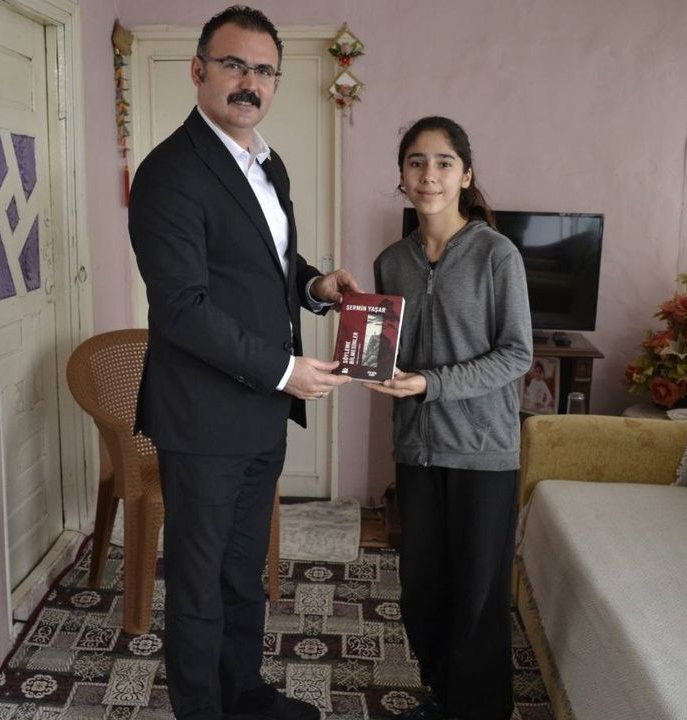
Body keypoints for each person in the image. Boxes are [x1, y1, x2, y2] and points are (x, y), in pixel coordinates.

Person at [127, 6, 362, 720]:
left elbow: (267, 264)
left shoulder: (267, 162)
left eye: (264, 70)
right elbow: (183, 308)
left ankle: (245, 695)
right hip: (202, 419)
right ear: (199, 70)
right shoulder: (169, 172)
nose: (249, 82)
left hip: (259, 412)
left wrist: (315, 287)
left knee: (241, 571)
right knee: (198, 583)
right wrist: (286, 371)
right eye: (234, 65)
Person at [367, 116, 534, 720]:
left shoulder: (497, 255)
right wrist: (363, 353)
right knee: (423, 592)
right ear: (402, 175)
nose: (428, 175)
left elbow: (516, 354)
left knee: (477, 597)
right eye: (416, 162)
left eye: (443, 163)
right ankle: (445, 696)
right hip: (417, 449)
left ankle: (479, 710)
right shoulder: (392, 262)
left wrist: (430, 384)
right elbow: (390, 354)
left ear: (465, 175)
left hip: (483, 451)